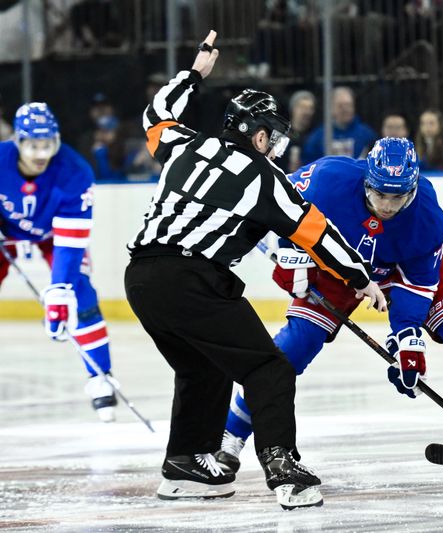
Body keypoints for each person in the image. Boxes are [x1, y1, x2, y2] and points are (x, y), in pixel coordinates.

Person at [124, 31, 386, 510]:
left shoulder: (183, 146)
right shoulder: (265, 177)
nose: (277, 147)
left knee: (202, 367)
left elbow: (156, 113)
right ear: (259, 134)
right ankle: (284, 469)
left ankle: (184, 466)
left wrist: (195, 73)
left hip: (141, 279)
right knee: (268, 368)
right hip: (192, 281)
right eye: (275, 137)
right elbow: (318, 234)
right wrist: (360, 279)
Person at [215, 137, 443, 475]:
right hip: (335, 268)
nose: (386, 205)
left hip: (402, 270)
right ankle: (230, 434)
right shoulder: (328, 178)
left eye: (397, 197)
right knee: (294, 346)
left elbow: (417, 283)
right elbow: (275, 200)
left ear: (411, 190)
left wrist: (407, 339)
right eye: (380, 193)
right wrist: (290, 254)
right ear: (366, 180)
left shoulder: (426, 213)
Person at [0, 102, 117, 421]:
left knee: (80, 293)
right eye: (33, 145)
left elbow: (70, 240)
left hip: (55, 234)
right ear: (18, 142)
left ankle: (100, 376)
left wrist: (60, 290)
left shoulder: (75, 171)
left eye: (47, 145)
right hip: (6, 229)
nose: (41, 154)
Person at [301, 86, 377, 164]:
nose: (345, 109)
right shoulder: (318, 137)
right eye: (340, 106)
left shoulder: (367, 135)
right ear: (331, 108)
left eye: (348, 105)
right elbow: (309, 165)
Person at [285, 90, 316, 173]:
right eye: (302, 107)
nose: (307, 112)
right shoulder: (281, 134)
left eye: (310, 108)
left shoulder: (316, 135)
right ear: (293, 109)